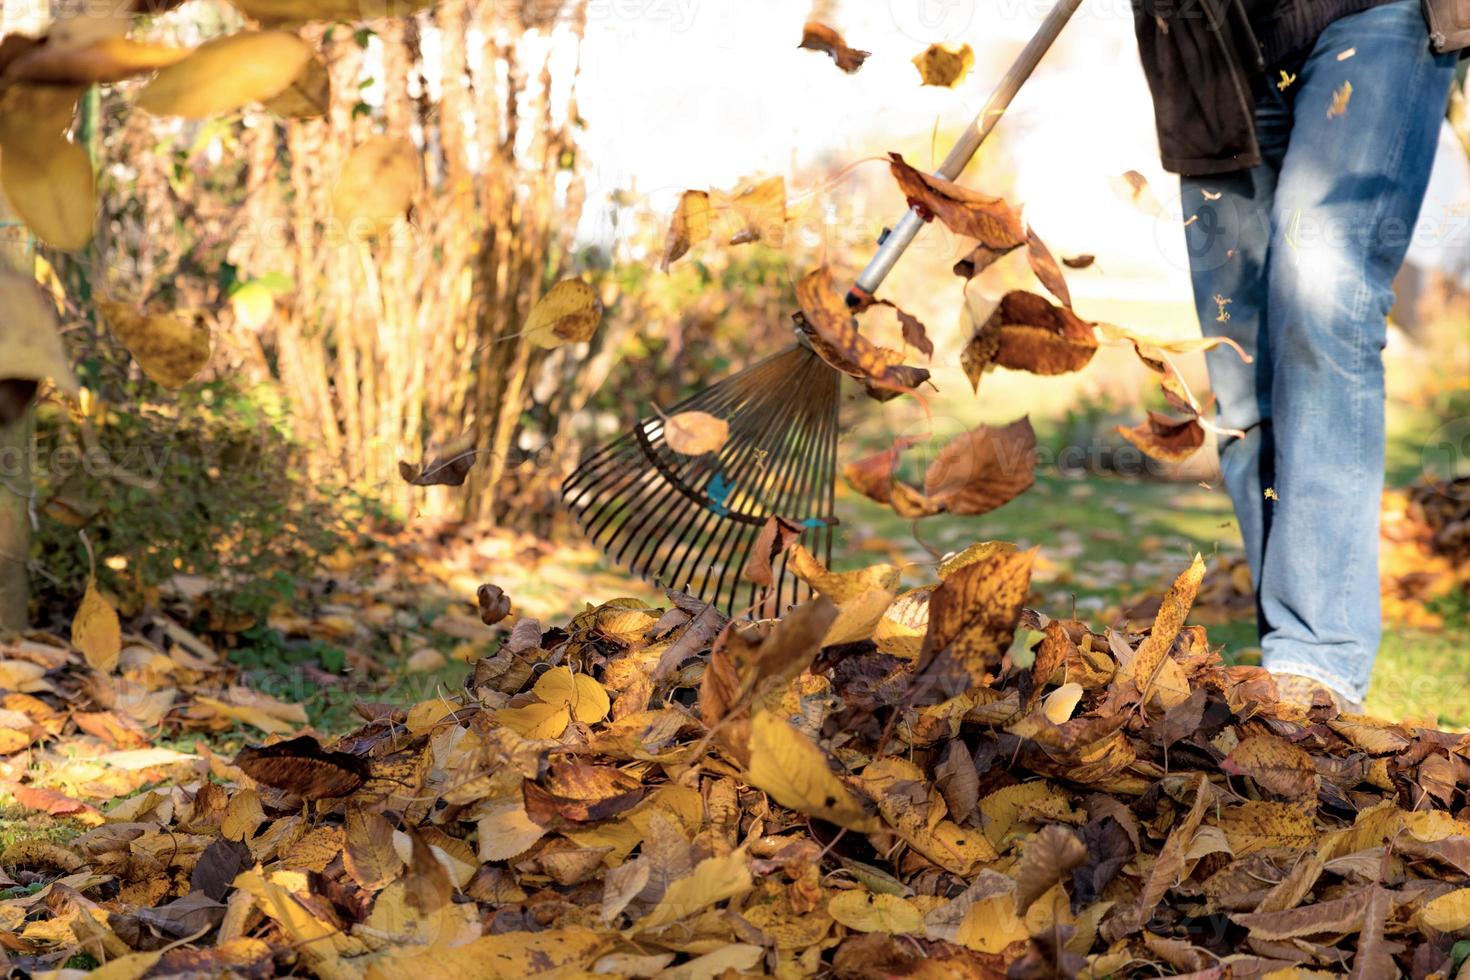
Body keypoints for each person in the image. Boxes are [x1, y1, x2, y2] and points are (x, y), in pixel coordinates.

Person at [1131, 0, 1465, 712]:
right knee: (1238, 362)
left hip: (1376, 14)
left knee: (1324, 287)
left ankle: (1318, 660)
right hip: (1204, 41)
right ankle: (1286, 668)